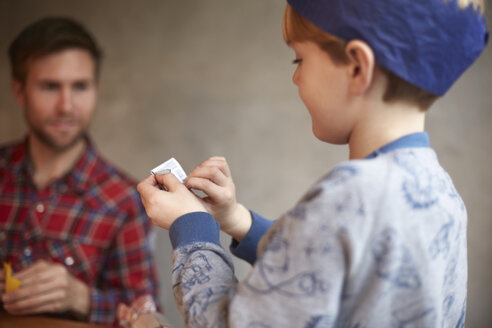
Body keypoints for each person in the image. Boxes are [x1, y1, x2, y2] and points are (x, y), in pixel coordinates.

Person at [137, 0, 488, 327]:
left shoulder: (349, 193)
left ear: (356, 67)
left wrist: (191, 226)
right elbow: (324, 264)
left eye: (299, 60)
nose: (296, 77)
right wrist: (234, 219)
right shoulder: (443, 194)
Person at [0, 17, 160, 326]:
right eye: (50, 86)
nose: (66, 106)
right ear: (19, 91)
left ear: (96, 90)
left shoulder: (125, 199)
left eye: (80, 87)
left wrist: (81, 298)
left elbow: (148, 319)